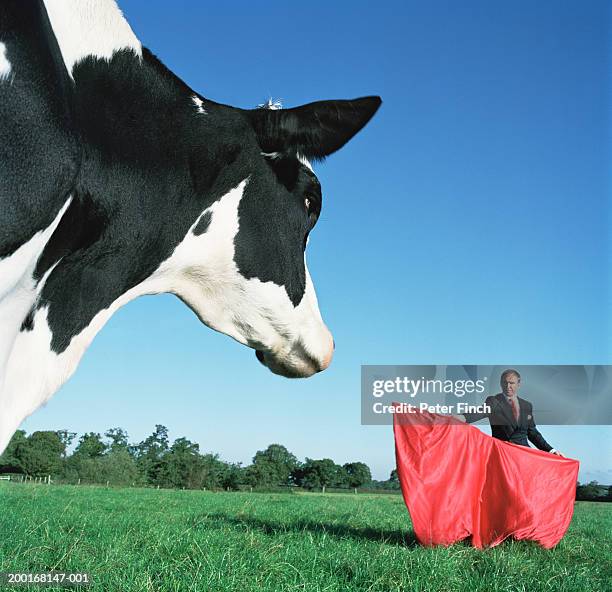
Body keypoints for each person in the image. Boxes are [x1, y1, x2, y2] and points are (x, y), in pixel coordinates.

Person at [455, 369, 563, 456]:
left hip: (524, 456)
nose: (508, 386)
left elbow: (533, 433)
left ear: (518, 384)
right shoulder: (493, 401)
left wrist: (551, 451)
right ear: (501, 383)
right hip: (502, 456)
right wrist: (455, 418)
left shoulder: (526, 406)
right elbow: (475, 414)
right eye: (505, 383)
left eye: (511, 383)